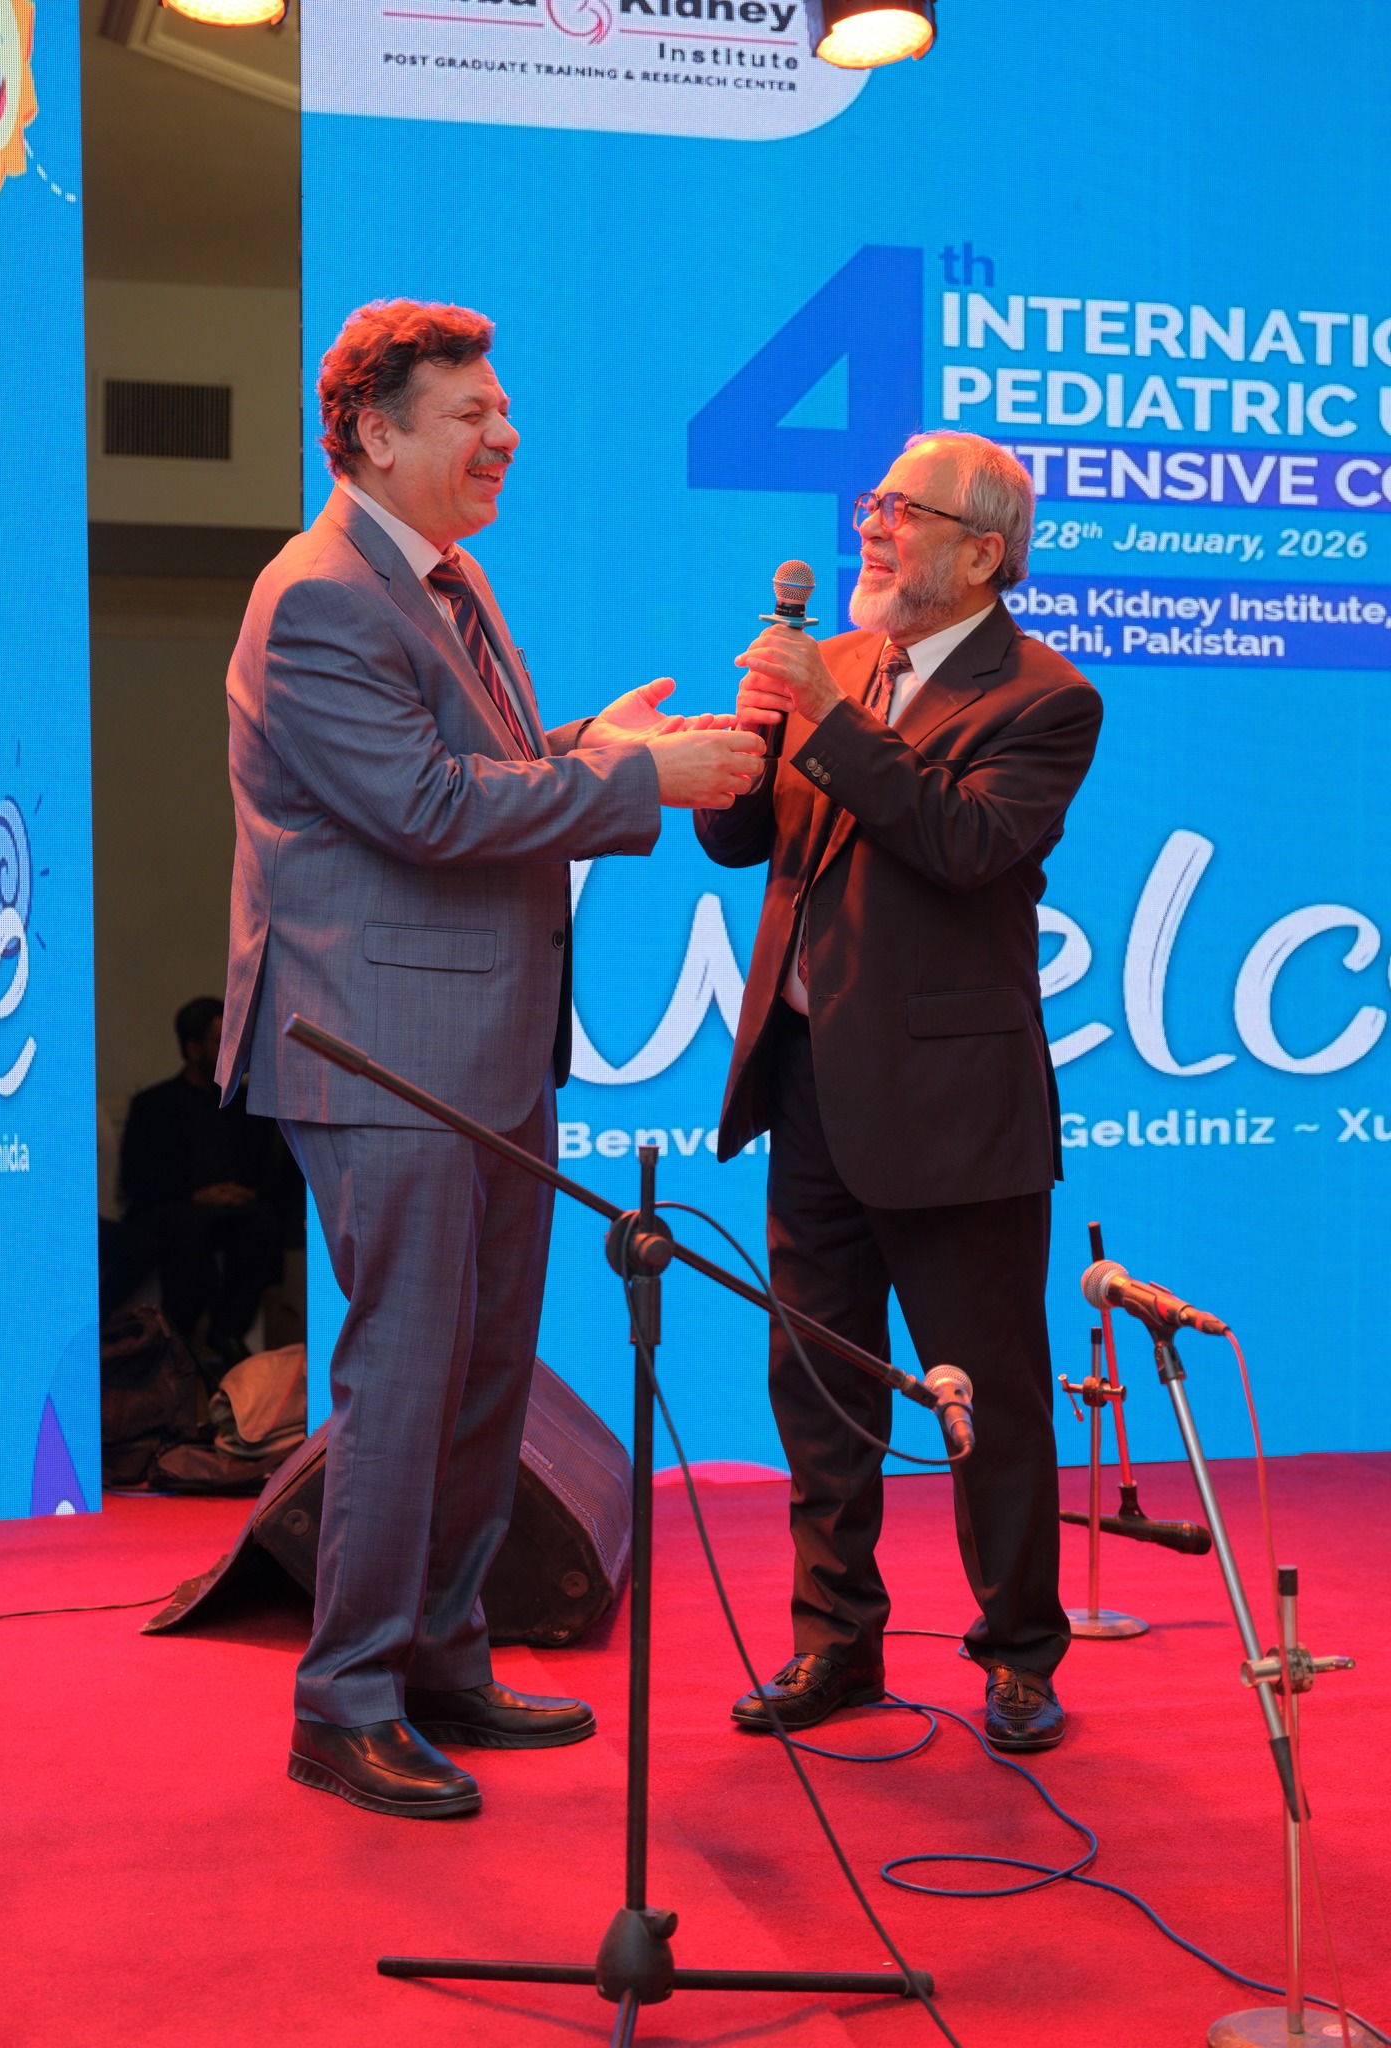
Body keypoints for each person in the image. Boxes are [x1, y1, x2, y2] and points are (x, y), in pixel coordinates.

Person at [219, 298, 763, 1820]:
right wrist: (639, 782)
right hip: (382, 1048)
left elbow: (481, 769)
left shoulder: (449, 576)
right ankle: (345, 1700)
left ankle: (445, 1652)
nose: (505, 435)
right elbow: (428, 808)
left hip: (486, 1045)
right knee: (405, 1375)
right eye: (471, 414)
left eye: (503, 410)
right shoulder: (319, 596)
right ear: (373, 434)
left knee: (484, 1371)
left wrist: (595, 743)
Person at [697, 430, 1103, 1753]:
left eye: (902, 509)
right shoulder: (840, 665)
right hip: (807, 1081)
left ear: (983, 554)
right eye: (872, 500)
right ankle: (837, 1641)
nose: (870, 523)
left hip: (952, 1108)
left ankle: (1020, 1652)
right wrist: (748, 741)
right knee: (819, 1383)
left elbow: (966, 843)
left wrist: (825, 712)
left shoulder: (1045, 697)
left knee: (991, 1399)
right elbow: (744, 840)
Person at [120, 996, 302, 1384]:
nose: (230, 1050)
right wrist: (195, 1195)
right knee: (184, 1229)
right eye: (220, 1041)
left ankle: (228, 1329)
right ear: (192, 1047)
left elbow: (271, 1171)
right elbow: (138, 1178)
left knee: (264, 1224)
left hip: (234, 1210)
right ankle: (179, 1337)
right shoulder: (154, 1104)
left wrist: (247, 1192)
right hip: (178, 1208)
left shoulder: (245, 1104)